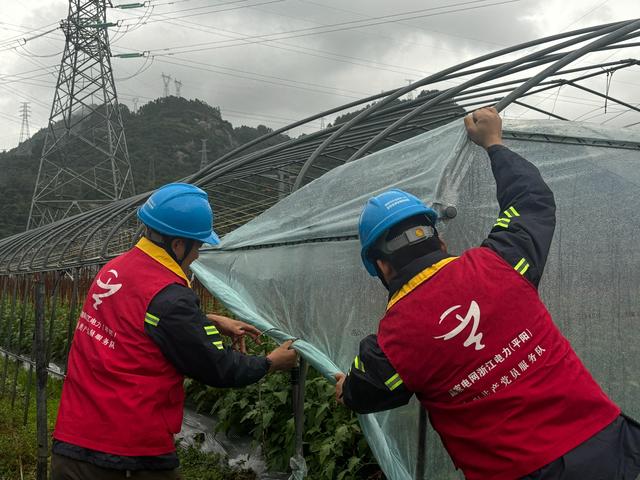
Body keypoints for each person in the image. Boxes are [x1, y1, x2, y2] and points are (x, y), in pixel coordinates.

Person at [334, 108, 640, 479]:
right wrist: (493, 142)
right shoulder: (502, 262)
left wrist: (347, 387)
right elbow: (531, 200)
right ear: (440, 241)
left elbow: (365, 392)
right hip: (609, 446)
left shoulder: (392, 345)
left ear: (381, 267)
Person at [51, 183, 298, 479]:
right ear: (178, 245)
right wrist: (270, 362)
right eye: (198, 246)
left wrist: (206, 319)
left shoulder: (116, 268)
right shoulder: (169, 296)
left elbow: (135, 318)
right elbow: (218, 366)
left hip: (74, 440)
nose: (197, 255)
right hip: (127, 453)